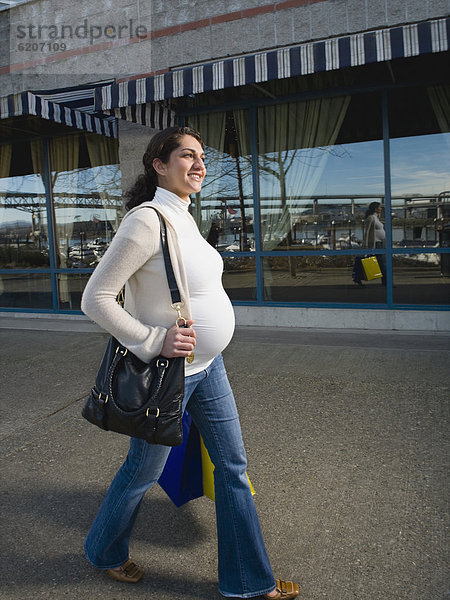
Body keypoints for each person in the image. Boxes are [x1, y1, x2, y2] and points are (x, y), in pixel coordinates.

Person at [81, 126, 300, 600]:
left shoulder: (184, 217)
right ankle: (104, 551)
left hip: (210, 366)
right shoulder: (145, 221)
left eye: (202, 157)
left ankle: (247, 582)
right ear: (159, 164)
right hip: (169, 376)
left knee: (233, 468)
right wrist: (153, 340)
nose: (199, 164)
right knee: (141, 471)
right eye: (187, 155)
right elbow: (95, 299)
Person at [364, 201, 386, 285]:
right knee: (383, 263)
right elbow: (367, 231)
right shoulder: (371, 218)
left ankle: (385, 282)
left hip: (380, 243)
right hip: (376, 244)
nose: (381, 209)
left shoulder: (376, 218)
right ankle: (386, 282)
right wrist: (366, 245)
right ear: (375, 209)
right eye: (379, 207)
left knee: (382, 263)